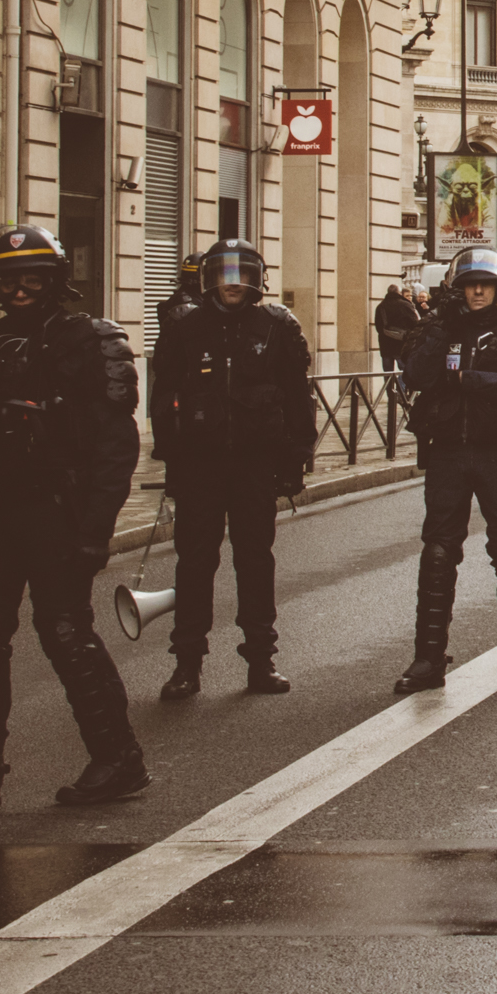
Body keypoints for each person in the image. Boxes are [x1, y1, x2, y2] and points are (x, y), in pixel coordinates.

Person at [0, 224, 147, 816]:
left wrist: (95, 529)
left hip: (56, 512)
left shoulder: (90, 340)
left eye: (31, 277)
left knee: (64, 633)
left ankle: (118, 757)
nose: (18, 289)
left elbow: (116, 444)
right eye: (7, 279)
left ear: (55, 280)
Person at [150, 239, 312, 700]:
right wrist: (172, 461)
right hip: (200, 464)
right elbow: (164, 398)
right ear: (209, 280)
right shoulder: (185, 326)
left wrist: (294, 459)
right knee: (195, 564)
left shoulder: (276, 326)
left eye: (241, 275)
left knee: (255, 562)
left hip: (255, 465)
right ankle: (186, 665)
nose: (233, 284)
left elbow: (297, 396)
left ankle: (261, 660)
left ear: (256, 280)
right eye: (224, 275)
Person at [395, 245, 497, 695]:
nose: (477, 291)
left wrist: (473, 380)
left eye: (484, 284)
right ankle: (428, 657)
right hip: (447, 450)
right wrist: (439, 327)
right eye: (469, 285)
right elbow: (416, 374)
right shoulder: (441, 328)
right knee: (439, 552)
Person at [375, 280, 422, 397]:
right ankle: (401, 393)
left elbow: (378, 327)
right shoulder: (405, 305)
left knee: (388, 373)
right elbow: (415, 323)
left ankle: (391, 396)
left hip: (385, 346)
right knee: (404, 371)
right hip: (402, 345)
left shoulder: (381, 306)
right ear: (399, 293)